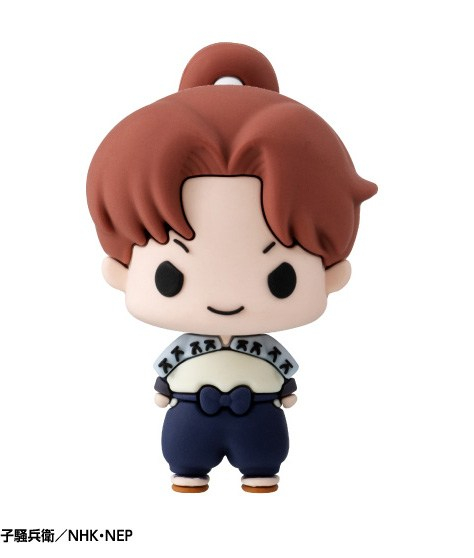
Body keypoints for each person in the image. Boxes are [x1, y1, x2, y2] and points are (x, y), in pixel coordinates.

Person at [87, 42, 377, 493]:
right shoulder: (186, 353)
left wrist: (284, 391)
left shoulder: (265, 354)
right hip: (191, 414)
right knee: (185, 453)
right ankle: (190, 472)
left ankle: (257, 473)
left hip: (258, 416)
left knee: (262, 454)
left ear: (331, 274)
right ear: (120, 271)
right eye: (171, 276)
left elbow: (285, 382)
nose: (226, 299)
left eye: (280, 279)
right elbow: (166, 381)